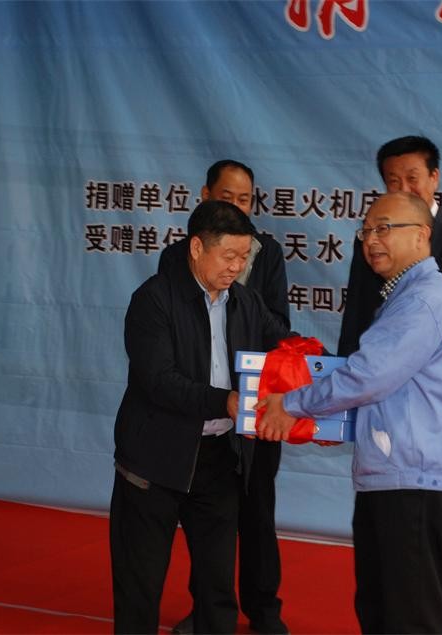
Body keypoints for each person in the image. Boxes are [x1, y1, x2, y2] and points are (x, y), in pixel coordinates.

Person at [257, 191, 442, 634]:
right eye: (367, 230)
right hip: (397, 477)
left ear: (421, 235)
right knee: (381, 611)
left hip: (412, 482)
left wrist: (291, 404)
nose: (371, 240)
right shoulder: (405, 296)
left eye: (384, 228)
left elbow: (369, 375)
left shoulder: (422, 301)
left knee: (409, 620)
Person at [338, 135, 442, 633]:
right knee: (381, 572)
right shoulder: (373, 236)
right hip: (380, 414)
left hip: (431, 418)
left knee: (422, 562)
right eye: (392, 180)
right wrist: (341, 397)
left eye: (412, 177)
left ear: (434, 178)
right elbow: (357, 319)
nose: (403, 186)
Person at [110, 200, 291, 635]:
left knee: (216, 588)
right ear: (196, 248)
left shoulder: (246, 302)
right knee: (140, 586)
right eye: (229, 256)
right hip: (154, 460)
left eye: (244, 257)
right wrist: (224, 401)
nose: (237, 267)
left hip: (220, 460)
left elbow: (285, 346)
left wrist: (319, 370)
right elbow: (160, 381)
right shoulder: (154, 300)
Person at [160, 160, 291, 635]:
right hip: (208, 412)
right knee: (207, 525)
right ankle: (209, 612)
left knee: (257, 514)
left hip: (255, 409)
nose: (237, 206)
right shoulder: (178, 256)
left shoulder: (267, 253)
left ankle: (263, 611)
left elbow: (278, 326)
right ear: (204, 197)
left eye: (244, 199)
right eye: (227, 197)